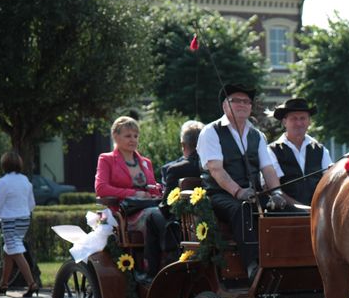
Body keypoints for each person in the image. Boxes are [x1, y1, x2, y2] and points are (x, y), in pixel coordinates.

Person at [196, 83, 286, 280]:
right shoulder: (211, 132)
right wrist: (238, 192)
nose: (242, 104)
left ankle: (286, 262)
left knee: (283, 209)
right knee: (241, 209)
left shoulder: (257, 135)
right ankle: (253, 266)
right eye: (236, 100)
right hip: (219, 195)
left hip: (253, 193)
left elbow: (268, 169)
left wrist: (276, 194)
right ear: (224, 106)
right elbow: (216, 170)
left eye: (246, 102)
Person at [139, 120, 203, 283]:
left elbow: (166, 208)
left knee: (151, 216)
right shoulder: (213, 165)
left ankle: (152, 272)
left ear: (183, 144)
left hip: (183, 227)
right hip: (208, 224)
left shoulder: (176, 169)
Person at [0, 152, 37, 297]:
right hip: (24, 219)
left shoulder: (3, 182)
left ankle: (32, 283)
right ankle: (3, 284)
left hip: (11, 220)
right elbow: (31, 204)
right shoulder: (25, 180)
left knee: (16, 251)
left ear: (4, 165)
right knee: (9, 251)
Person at [94, 116, 162, 232]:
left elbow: (152, 189)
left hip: (149, 208)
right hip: (125, 214)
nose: (133, 140)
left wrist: (159, 190)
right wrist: (134, 193)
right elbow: (101, 188)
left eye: (135, 136)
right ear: (115, 137)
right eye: (128, 136)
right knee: (156, 216)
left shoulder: (146, 162)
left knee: (171, 215)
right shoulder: (106, 159)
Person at [267, 98, 332, 207]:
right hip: (285, 214)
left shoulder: (321, 150)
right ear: (284, 122)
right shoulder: (271, 151)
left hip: (318, 212)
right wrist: (302, 209)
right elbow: (274, 189)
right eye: (293, 118)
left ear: (309, 121)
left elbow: (330, 183)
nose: (299, 123)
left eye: (303, 118)